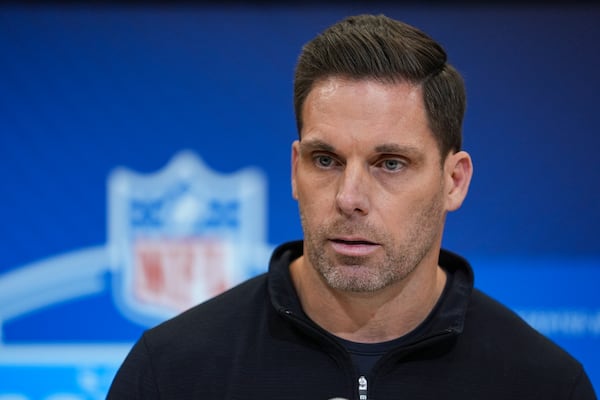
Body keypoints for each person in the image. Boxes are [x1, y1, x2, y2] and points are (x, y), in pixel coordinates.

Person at [107, 14, 596, 399]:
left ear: (454, 180)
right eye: (326, 159)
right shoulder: (171, 372)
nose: (349, 198)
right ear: (296, 169)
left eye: (390, 164)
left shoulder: (543, 384)